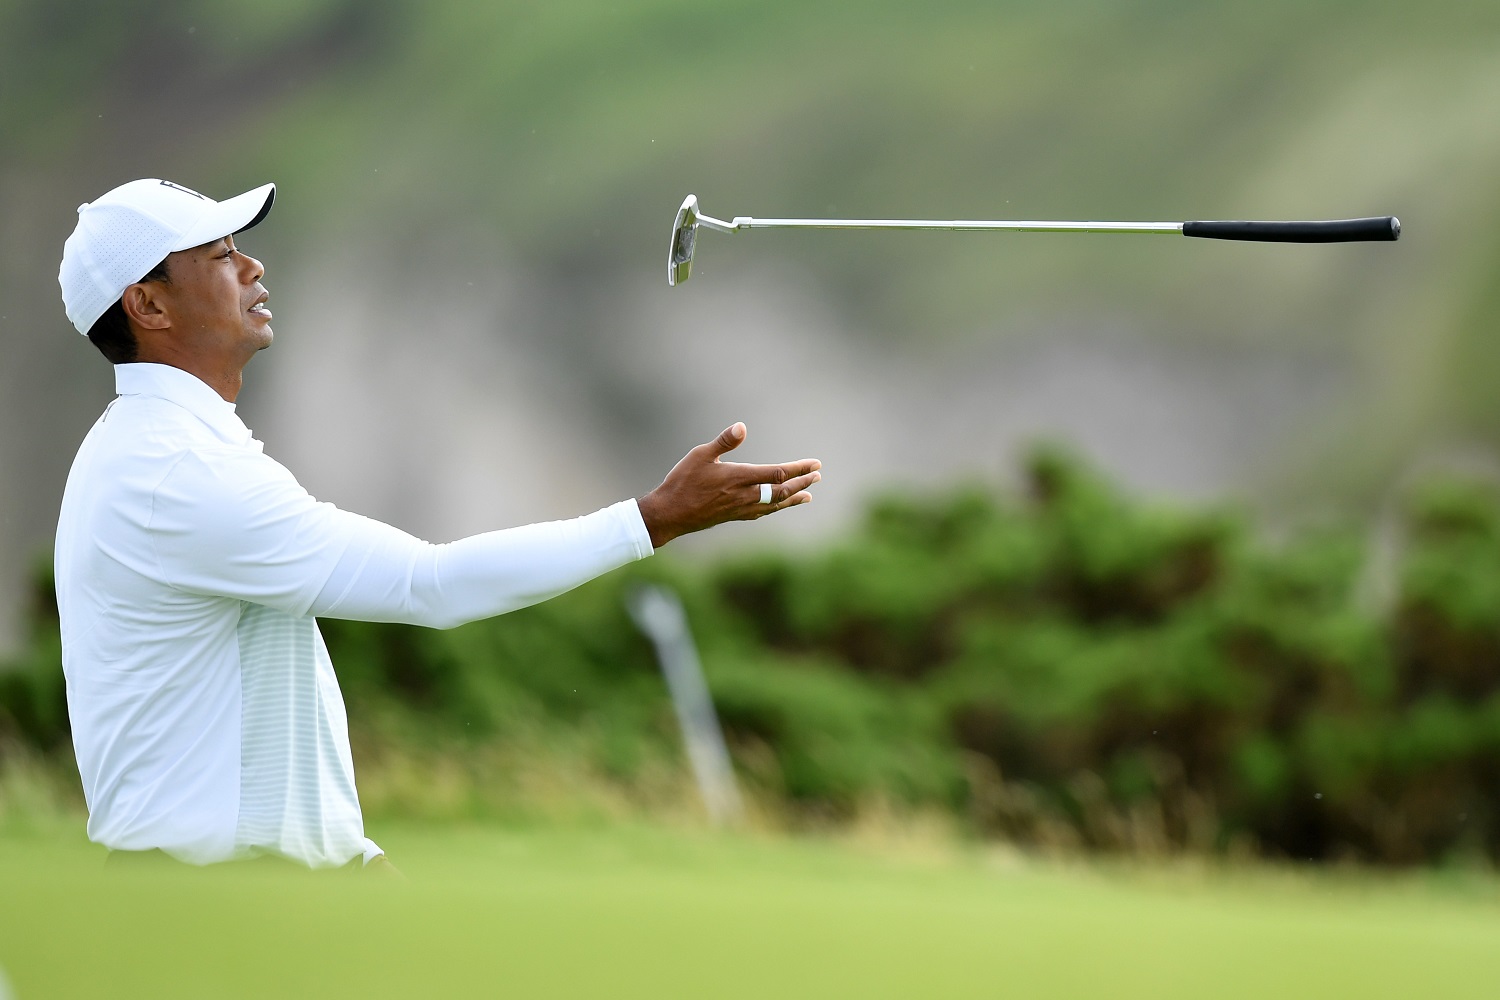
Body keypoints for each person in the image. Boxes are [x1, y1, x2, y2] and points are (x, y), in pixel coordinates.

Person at [54, 178, 821, 871]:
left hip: (245, 889)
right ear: (148, 306)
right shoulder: (174, 474)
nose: (253, 268)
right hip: (212, 901)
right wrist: (651, 521)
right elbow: (432, 585)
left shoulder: (164, 450)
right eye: (220, 258)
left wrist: (348, 853)